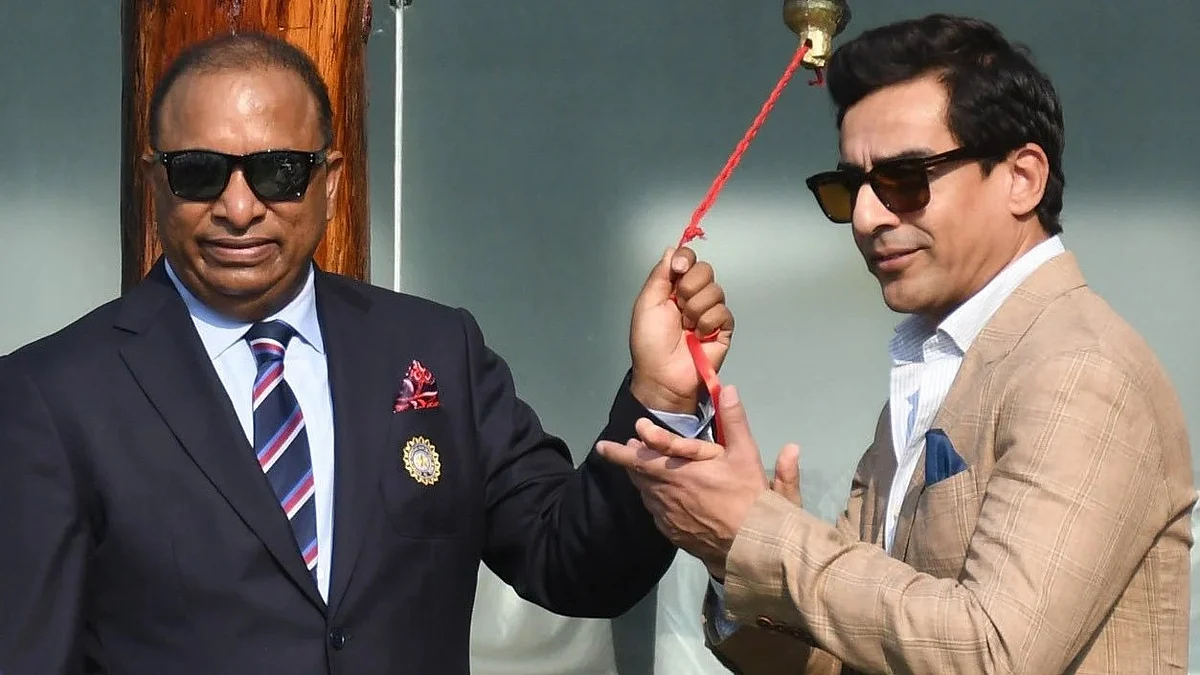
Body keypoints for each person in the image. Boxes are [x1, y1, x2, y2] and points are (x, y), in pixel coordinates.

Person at [0, 32, 735, 675]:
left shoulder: (434, 350)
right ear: (155, 180)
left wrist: (660, 400)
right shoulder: (53, 395)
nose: (238, 206)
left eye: (278, 171)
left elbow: (575, 564)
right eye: (199, 171)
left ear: (330, 182)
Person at [597, 13, 1194, 675]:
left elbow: (992, 653)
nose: (867, 216)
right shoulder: (935, 364)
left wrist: (762, 536)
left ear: (1022, 177)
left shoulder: (1081, 369)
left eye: (906, 180)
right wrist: (730, 550)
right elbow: (837, 661)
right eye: (849, 187)